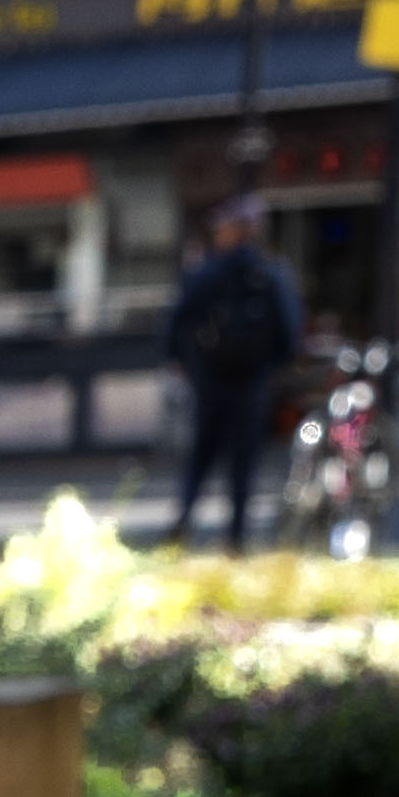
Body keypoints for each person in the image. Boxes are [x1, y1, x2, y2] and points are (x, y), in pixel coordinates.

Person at [163, 197, 299, 547]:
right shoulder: (271, 272)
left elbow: (178, 319)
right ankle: (235, 538)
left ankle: (184, 520)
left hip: (210, 379)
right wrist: (275, 369)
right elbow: (289, 331)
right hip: (252, 382)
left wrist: (182, 361)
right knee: (243, 463)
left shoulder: (210, 271)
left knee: (202, 455)